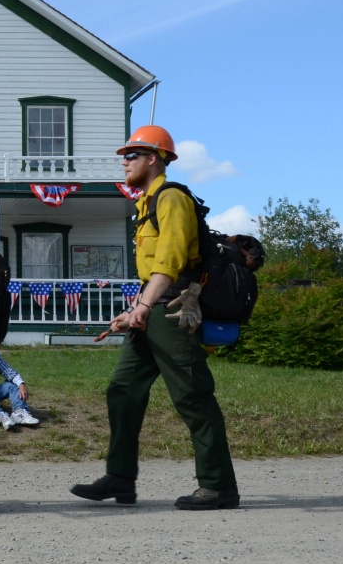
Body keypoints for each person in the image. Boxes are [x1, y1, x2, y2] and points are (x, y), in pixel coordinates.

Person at [70, 125, 239, 511]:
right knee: (123, 390)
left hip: (175, 308)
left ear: (153, 158)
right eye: (124, 155)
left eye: (132, 155)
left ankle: (219, 486)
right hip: (154, 307)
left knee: (193, 395)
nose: (124, 161)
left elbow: (171, 262)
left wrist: (142, 307)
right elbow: (152, 273)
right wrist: (135, 308)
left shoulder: (171, 197)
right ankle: (120, 478)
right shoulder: (145, 204)